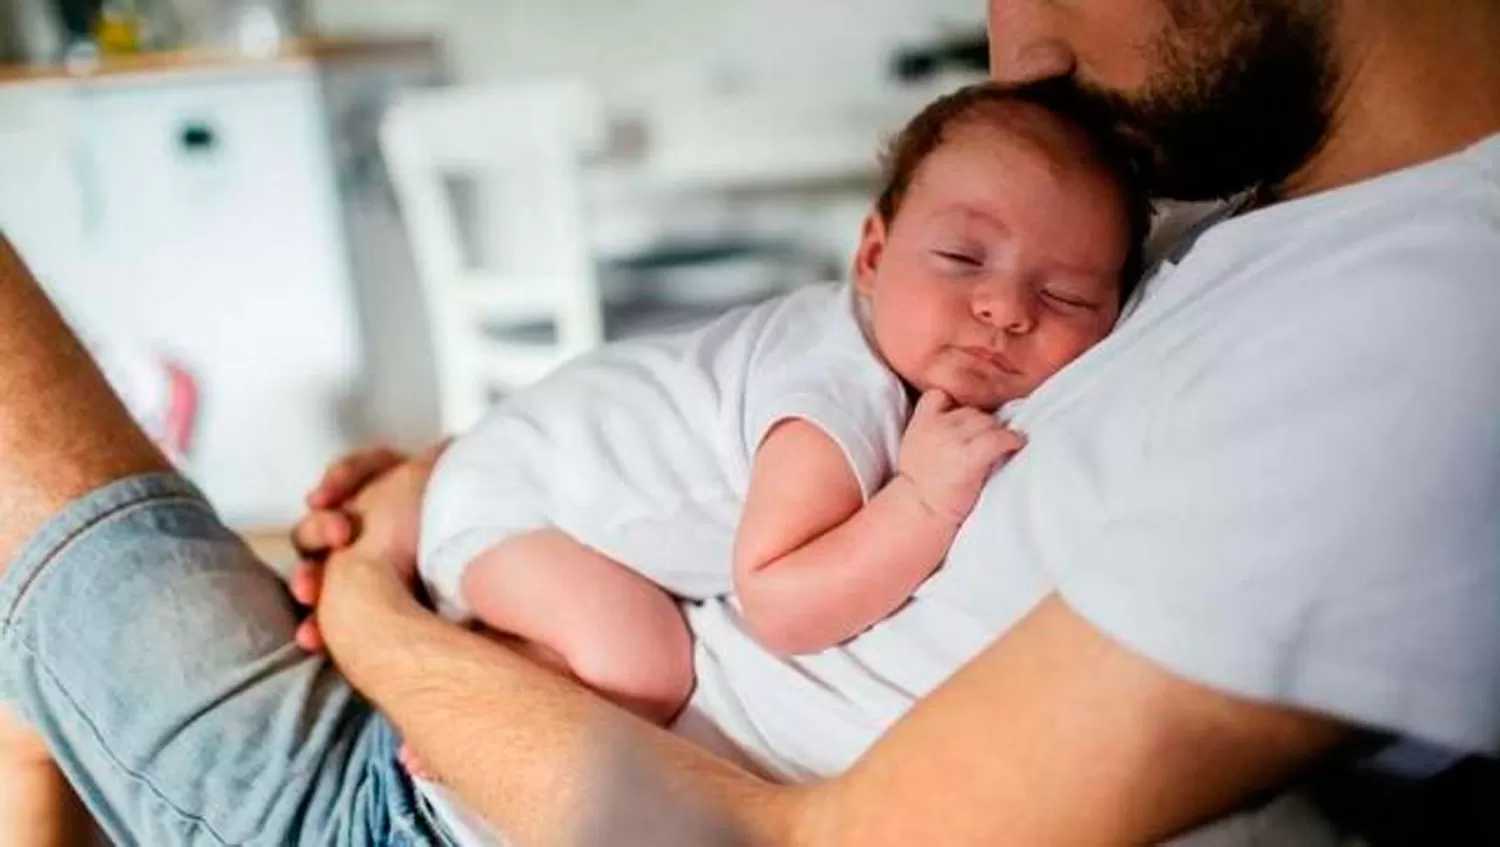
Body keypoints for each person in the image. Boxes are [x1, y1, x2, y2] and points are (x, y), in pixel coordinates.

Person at [0, 1, 1497, 844]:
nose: (1015, 43)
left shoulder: (1425, 323)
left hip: (470, 795)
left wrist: (383, 608)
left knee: (45, 463)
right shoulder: (1227, 203)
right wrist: (455, 488)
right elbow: (751, 412)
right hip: (517, 695)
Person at [413, 81, 1145, 737]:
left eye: (1066, 296)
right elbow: (780, 604)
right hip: (512, 502)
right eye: (962, 257)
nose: (1006, 308)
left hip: (532, 463)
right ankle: (463, 692)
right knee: (645, 667)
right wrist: (923, 502)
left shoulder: (891, 353)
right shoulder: (836, 396)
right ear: (871, 256)